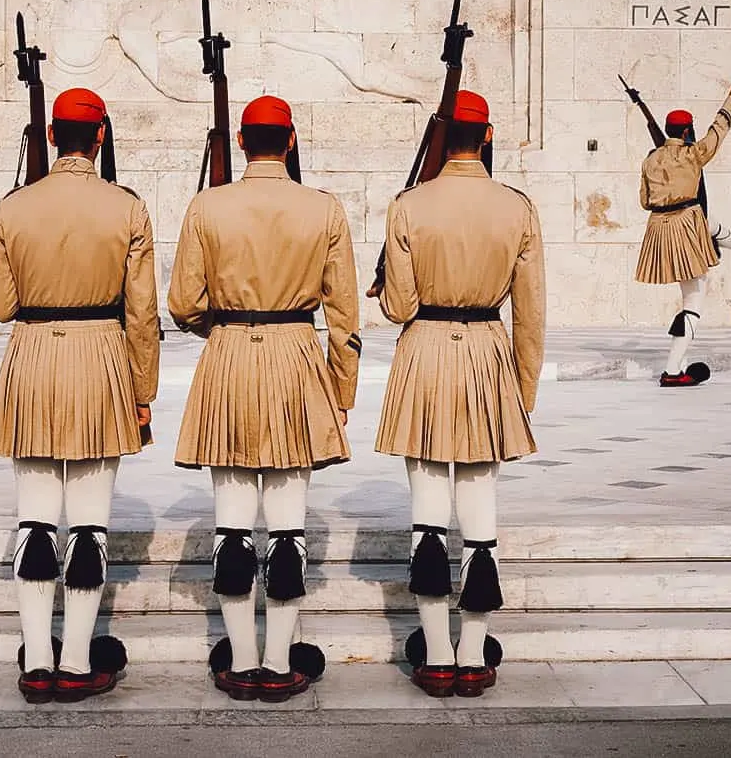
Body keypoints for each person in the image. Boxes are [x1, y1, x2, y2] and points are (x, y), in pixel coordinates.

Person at [168, 95, 360, 703]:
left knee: (231, 523)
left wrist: (222, 330)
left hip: (229, 353)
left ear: (243, 144)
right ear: (292, 140)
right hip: (297, 355)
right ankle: (279, 661)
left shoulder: (208, 206)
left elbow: (182, 303)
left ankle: (240, 659)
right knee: (287, 526)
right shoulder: (323, 209)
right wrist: (342, 386)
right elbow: (345, 310)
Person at [0, 87, 160, 704]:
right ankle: (78, 661)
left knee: (34, 519)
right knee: (88, 525)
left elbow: (1, 306)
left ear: (52, 137)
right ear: (100, 137)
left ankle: (36, 661)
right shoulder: (127, 208)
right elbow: (142, 314)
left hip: (32, 356)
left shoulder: (12, 208)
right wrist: (143, 389)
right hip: (101, 355)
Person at [375, 90, 545, 698]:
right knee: (479, 507)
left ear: (443, 141)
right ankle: (473, 653)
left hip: (424, 349)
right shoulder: (517, 208)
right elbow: (530, 312)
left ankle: (436, 653)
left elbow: (399, 306)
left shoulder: (408, 205)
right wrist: (521, 390)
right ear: (490, 135)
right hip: (487, 350)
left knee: (427, 511)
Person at [635, 78, 731, 387]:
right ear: (686, 132)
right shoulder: (693, 153)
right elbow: (720, 127)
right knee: (694, 300)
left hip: (658, 229)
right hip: (687, 223)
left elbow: (645, 201)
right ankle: (672, 371)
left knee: (708, 227)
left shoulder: (650, 159)